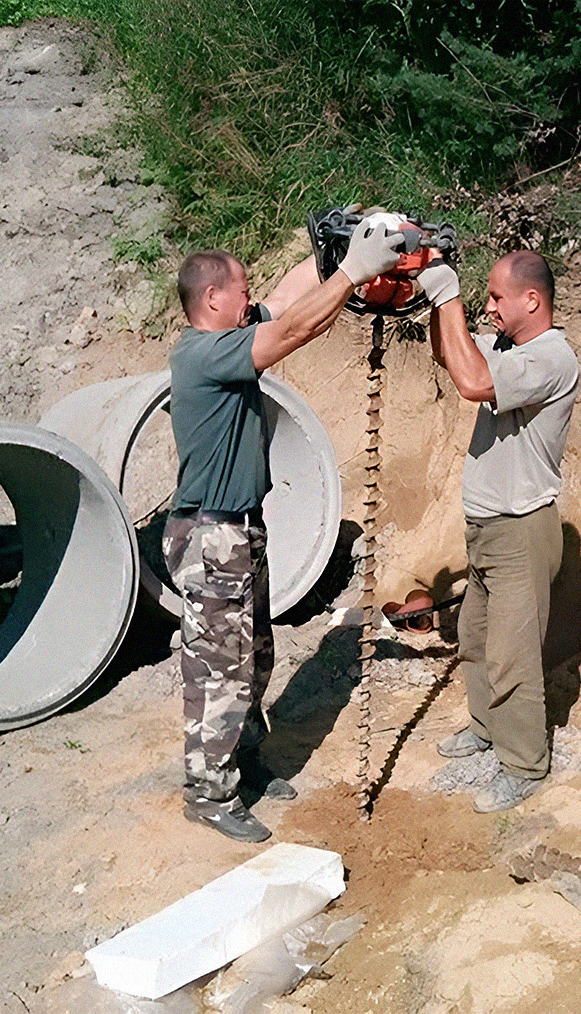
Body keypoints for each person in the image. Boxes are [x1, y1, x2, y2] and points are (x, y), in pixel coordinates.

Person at [165, 221, 404, 841]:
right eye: (241, 291)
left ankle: (244, 761)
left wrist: (336, 245)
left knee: (256, 655)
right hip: (210, 536)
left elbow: (291, 298)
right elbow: (294, 330)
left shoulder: (232, 328)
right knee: (219, 666)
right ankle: (208, 794)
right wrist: (353, 272)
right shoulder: (200, 353)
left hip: (243, 529)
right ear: (212, 300)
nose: (251, 299)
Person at [419, 250, 580, 812]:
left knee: (512, 654)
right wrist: (427, 294)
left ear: (531, 301)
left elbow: (471, 381)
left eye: (494, 297)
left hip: (520, 530)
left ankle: (525, 764)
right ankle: (487, 728)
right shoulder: (510, 349)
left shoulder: (551, 357)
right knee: (476, 638)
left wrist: (448, 295)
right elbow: (451, 355)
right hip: (486, 527)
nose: (488, 307)